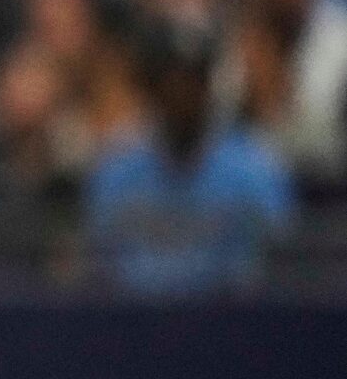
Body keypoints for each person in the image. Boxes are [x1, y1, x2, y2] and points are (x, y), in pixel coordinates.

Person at [84, 21, 295, 298]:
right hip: (133, 326)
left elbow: (280, 264)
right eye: (170, 83)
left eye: (192, 83)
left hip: (233, 325)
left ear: (208, 86)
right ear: (153, 89)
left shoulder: (255, 168)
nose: (181, 95)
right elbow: (98, 268)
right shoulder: (117, 169)